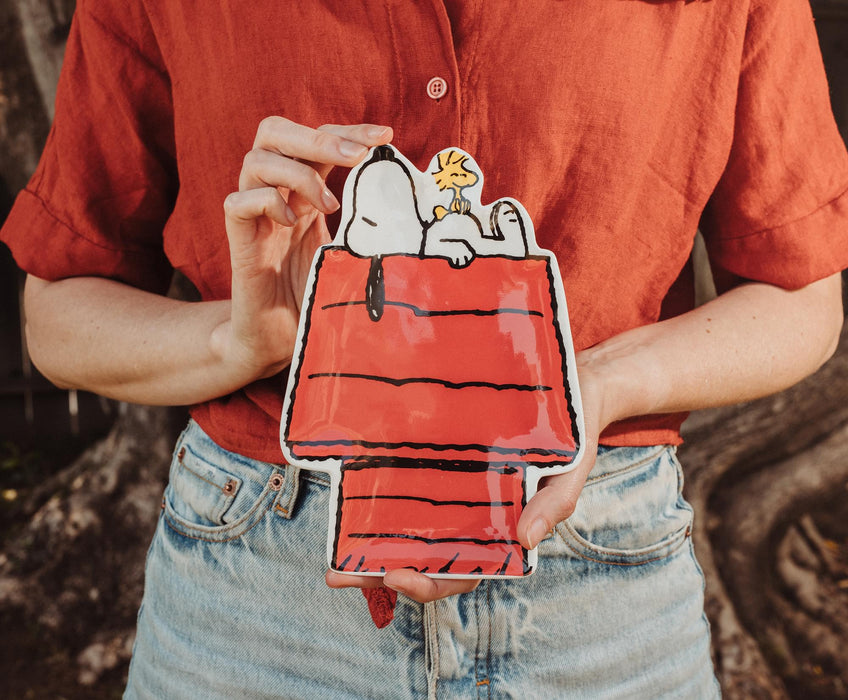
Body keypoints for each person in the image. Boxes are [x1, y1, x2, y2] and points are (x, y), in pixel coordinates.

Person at [3, 0, 847, 697]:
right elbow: (61, 311)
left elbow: (800, 296)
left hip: (601, 592)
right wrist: (241, 339)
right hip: (255, 605)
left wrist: (593, 386)